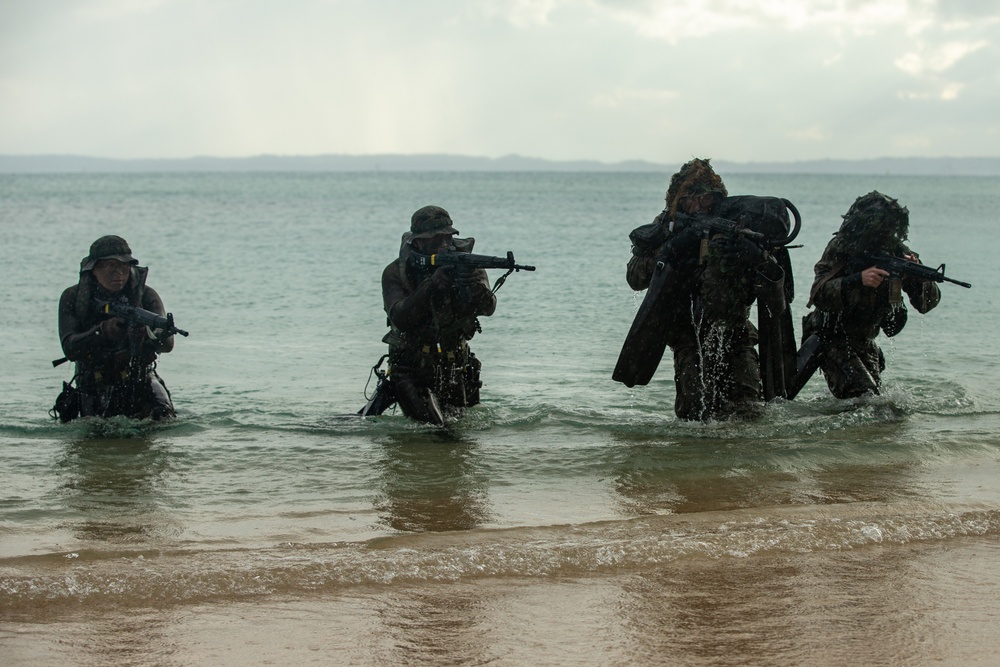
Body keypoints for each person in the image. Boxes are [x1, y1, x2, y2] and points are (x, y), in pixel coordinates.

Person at [624, 158, 771, 421]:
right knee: (694, 425)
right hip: (688, 342)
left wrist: (753, 255)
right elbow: (635, 276)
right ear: (678, 201)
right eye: (692, 199)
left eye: (707, 198)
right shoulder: (668, 226)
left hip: (736, 338)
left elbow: (775, 284)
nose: (700, 205)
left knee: (751, 421)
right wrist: (669, 250)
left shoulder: (733, 224)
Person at [805, 191, 941, 398]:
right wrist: (857, 279)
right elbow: (818, 294)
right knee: (863, 397)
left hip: (866, 341)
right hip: (831, 337)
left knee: (878, 403)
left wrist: (915, 275)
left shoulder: (896, 251)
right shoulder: (841, 248)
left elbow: (927, 304)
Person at [380, 205, 497, 425]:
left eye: (447, 238)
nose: (444, 245)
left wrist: (473, 285)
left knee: (460, 431)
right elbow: (400, 317)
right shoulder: (396, 272)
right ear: (418, 242)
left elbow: (488, 308)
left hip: (454, 365)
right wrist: (432, 284)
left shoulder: (466, 266)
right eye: (436, 240)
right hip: (410, 368)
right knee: (437, 431)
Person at [54, 235, 176, 421]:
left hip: (140, 380)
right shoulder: (74, 298)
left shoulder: (146, 296)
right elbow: (70, 348)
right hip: (93, 383)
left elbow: (167, 345)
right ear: (94, 269)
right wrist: (101, 331)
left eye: (123, 266)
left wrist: (147, 335)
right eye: (109, 265)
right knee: (96, 435)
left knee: (163, 417)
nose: (118, 272)